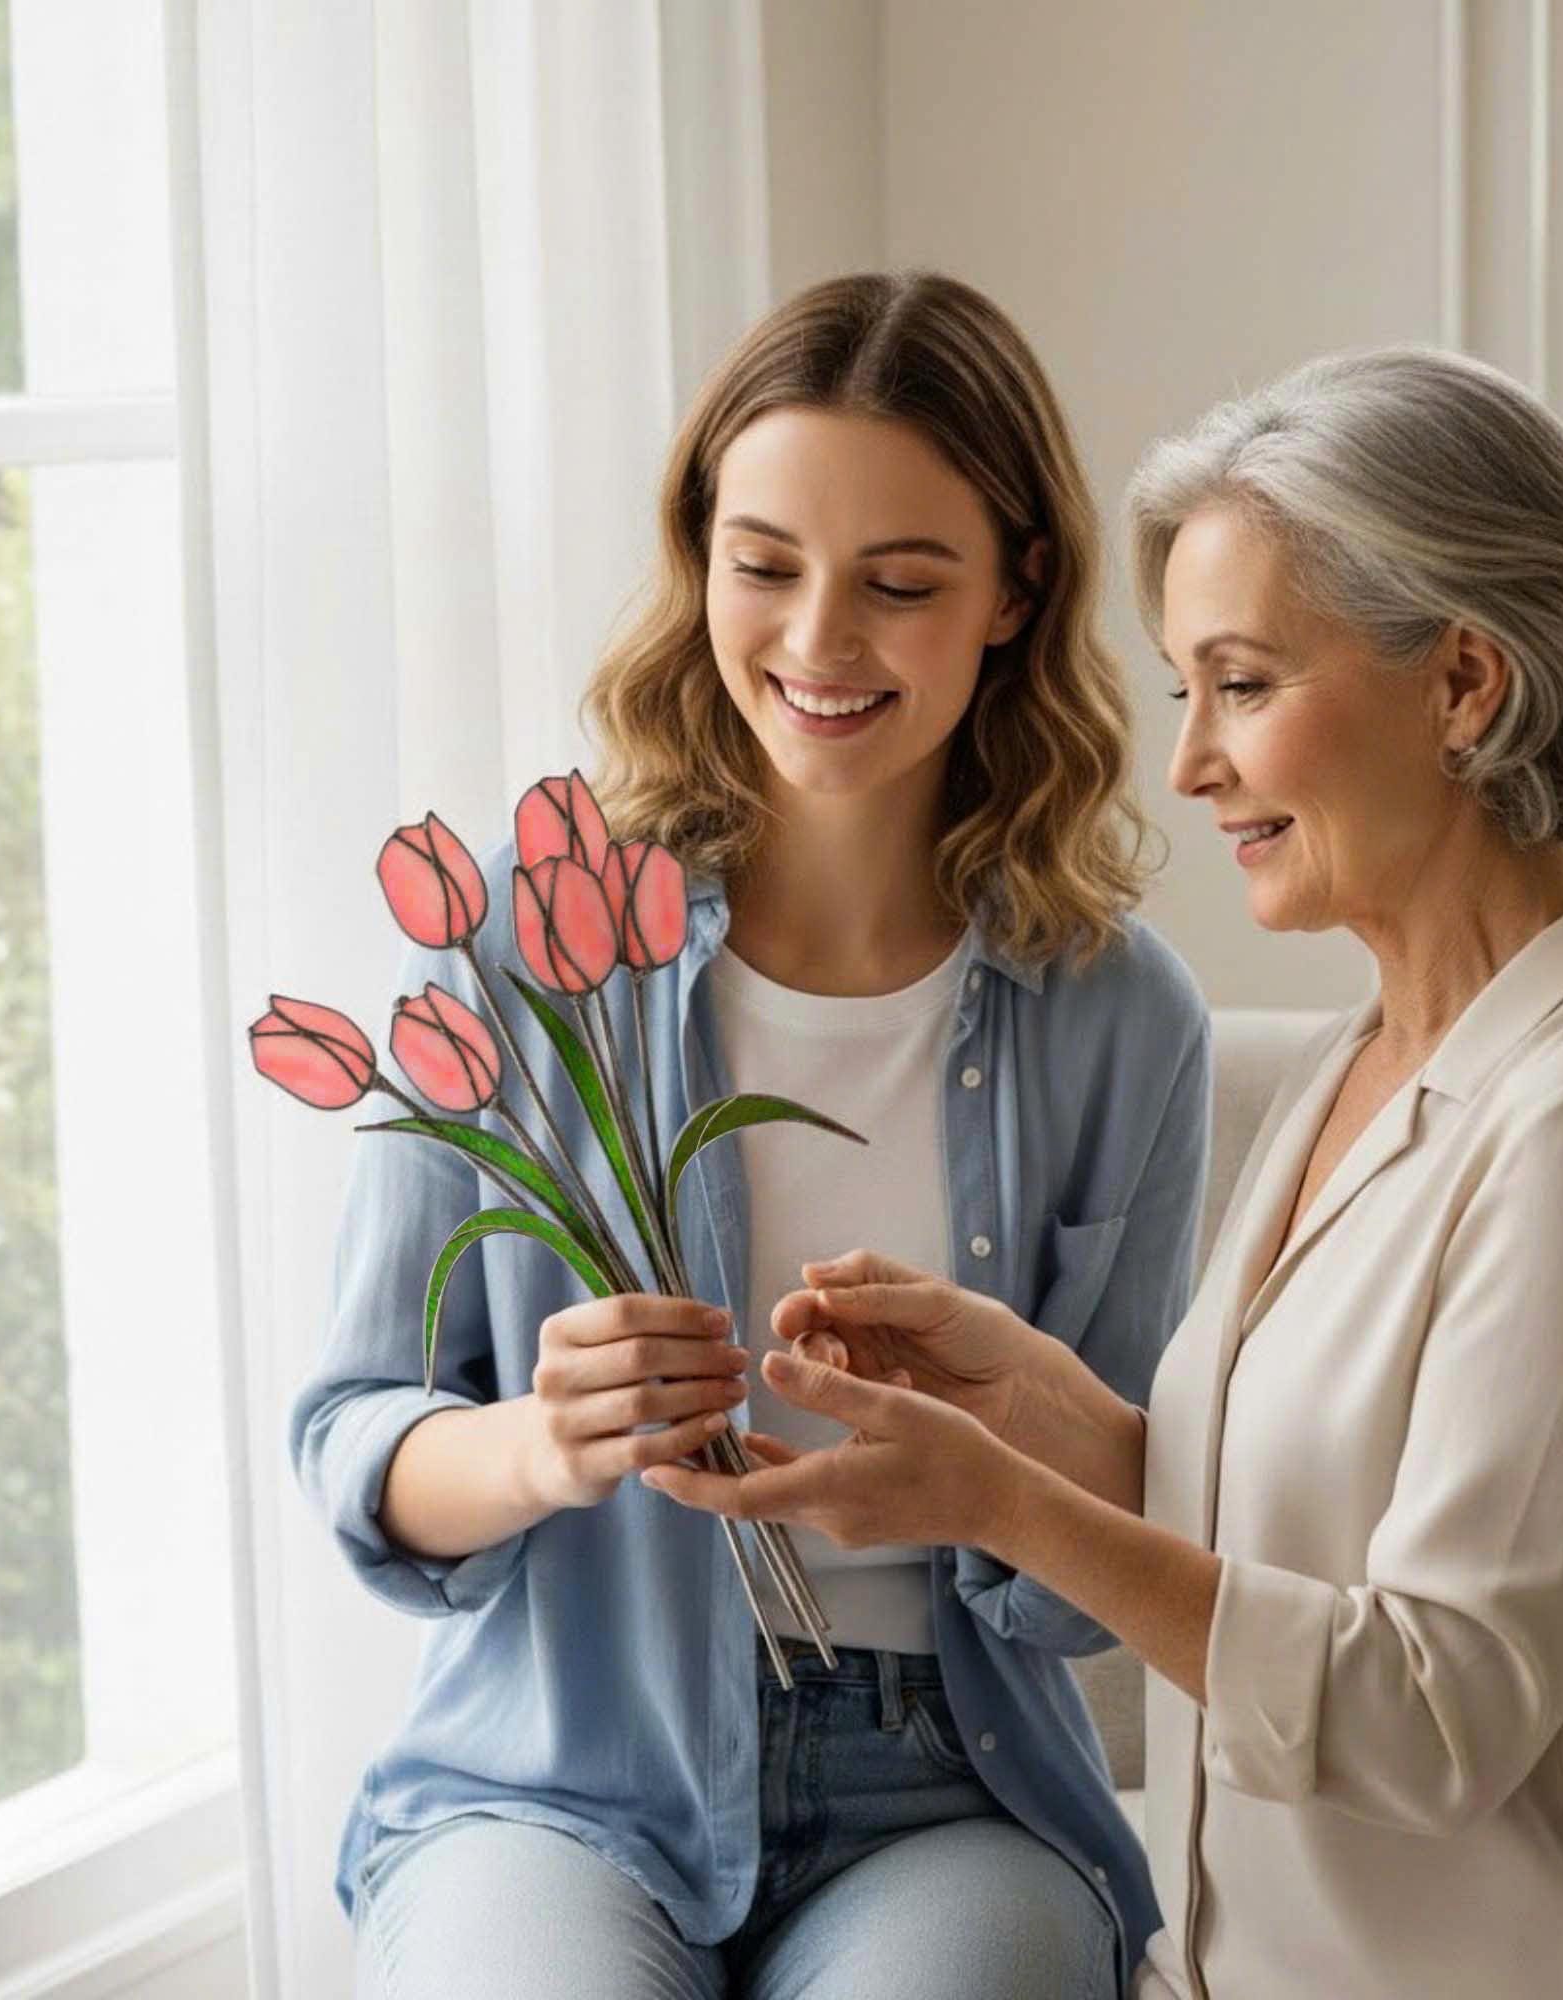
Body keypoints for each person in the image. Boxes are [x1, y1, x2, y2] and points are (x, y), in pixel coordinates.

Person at [648, 346, 1563, 2000]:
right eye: (1187, 690)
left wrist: (998, 1506)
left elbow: (1427, 1711)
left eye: (1243, 686)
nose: (1188, 766)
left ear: (1463, 685)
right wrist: (1031, 1408)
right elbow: (1290, 1549)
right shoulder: (1371, 1056)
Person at [289, 270, 1212, 1999]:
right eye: (765, 565)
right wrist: (545, 1447)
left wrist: (991, 1472)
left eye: (901, 584)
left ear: (1017, 592)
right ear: (699, 555)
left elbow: (1124, 1551)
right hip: (553, 1781)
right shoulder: (512, 941)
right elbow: (356, 1434)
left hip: (954, 1796)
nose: (816, 642)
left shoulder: (1120, 1017)